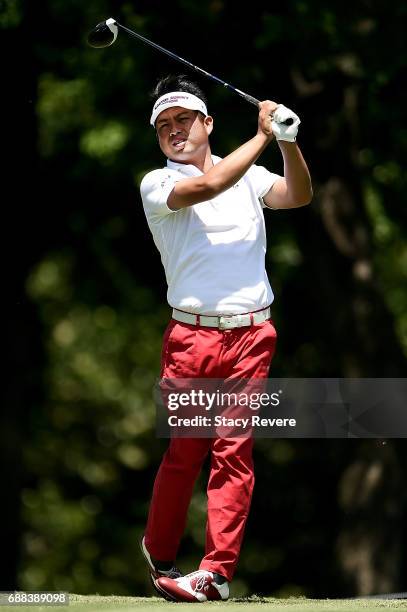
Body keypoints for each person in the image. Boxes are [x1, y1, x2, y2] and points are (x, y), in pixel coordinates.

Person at [139, 74, 312, 602]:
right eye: (164, 125)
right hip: (190, 338)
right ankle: (161, 550)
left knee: (233, 453)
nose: (174, 131)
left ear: (207, 124)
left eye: (184, 120)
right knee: (186, 452)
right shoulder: (156, 184)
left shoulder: (251, 174)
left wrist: (287, 141)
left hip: (252, 335)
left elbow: (297, 195)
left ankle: (215, 573)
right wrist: (262, 135)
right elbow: (208, 186)